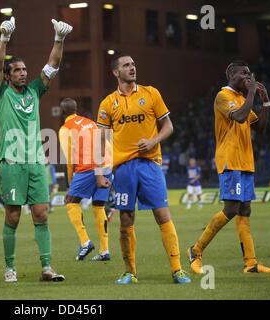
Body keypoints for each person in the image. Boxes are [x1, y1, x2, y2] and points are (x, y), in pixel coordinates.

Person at [96, 54, 191, 284]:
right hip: (124, 169)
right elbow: (100, 140)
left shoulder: (151, 93)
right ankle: (130, 272)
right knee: (126, 220)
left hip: (150, 164)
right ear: (116, 72)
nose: (132, 67)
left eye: (133, 64)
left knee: (162, 215)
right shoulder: (108, 103)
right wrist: (99, 172)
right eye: (126, 65)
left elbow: (168, 126)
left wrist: (153, 141)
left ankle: (177, 269)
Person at [0, 16, 72, 282]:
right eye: (17, 70)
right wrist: (4, 39)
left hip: (37, 161)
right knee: (13, 216)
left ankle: (47, 268)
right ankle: (9, 268)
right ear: (8, 75)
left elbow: (52, 66)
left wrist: (58, 39)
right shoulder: (0, 93)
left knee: (41, 213)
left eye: (25, 69)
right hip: (12, 163)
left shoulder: (35, 91)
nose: (24, 73)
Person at [188, 61, 270, 274]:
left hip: (246, 161)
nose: (248, 77)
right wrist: (252, 93)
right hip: (230, 159)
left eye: (250, 74)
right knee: (231, 209)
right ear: (232, 76)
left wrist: (264, 103)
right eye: (244, 74)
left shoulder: (241, 98)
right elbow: (238, 117)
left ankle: (251, 263)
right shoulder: (224, 96)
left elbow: (261, 128)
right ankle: (196, 250)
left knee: (245, 210)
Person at [58, 98, 111, 261]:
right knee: (98, 207)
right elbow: (104, 143)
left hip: (88, 167)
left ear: (62, 113)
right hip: (107, 164)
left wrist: (69, 183)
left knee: (70, 201)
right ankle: (104, 250)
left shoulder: (65, 128)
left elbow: (69, 160)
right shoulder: (90, 122)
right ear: (76, 109)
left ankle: (85, 241)